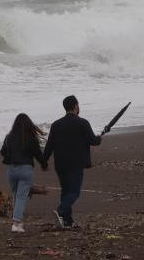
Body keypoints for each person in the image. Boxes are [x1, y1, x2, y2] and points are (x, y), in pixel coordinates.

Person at [42, 95, 104, 229]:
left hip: (60, 163)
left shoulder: (56, 124)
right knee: (74, 192)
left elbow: (49, 145)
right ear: (76, 106)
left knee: (66, 191)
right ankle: (60, 211)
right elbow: (93, 141)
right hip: (76, 163)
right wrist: (100, 138)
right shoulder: (82, 123)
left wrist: (44, 161)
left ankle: (67, 221)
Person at [0, 113, 47, 233]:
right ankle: (16, 223)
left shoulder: (9, 137)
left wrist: (11, 155)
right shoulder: (31, 138)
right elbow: (38, 154)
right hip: (26, 169)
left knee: (17, 194)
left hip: (11, 169)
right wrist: (44, 164)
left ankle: (19, 222)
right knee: (21, 196)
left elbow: (3, 152)